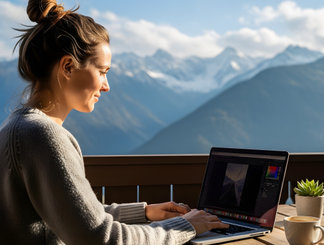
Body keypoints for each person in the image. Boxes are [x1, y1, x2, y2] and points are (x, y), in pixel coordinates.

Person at [0, 0, 228, 244]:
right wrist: (185, 226)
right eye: (102, 71)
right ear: (68, 66)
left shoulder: (17, 126)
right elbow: (100, 237)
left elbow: (73, 216)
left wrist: (145, 212)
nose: (106, 86)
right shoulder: (43, 135)